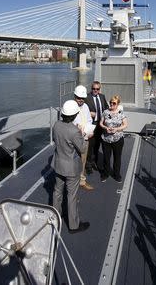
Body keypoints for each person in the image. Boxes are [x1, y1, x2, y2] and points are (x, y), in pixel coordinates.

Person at [52, 100, 90, 233]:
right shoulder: (74, 131)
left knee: (57, 192)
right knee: (71, 196)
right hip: (71, 168)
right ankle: (74, 226)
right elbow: (82, 149)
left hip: (58, 164)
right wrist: (84, 136)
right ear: (74, 115)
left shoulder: (56, 125)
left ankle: (56, 217)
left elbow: (55, 140)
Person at [99, 95, 128, 183]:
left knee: (117, 158)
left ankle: (116, 175)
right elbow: (101, 123)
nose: (111, 104)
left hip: (117, 139)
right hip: (106, 139)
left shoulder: (121, 113)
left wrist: (117, 129)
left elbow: (125, 125)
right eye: (110, 102)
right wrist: (105, 128)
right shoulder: (105, 112)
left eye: (114, 103)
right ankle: (105, 174)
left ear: (118, 104)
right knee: (106, 158)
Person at [73, 85, 95, 191]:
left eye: (82, 98)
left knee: (83, 159)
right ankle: (72, 181)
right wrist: (77, 127)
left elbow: (89, 120)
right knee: (72, 161)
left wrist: (90, 130)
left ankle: (81, 180)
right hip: (73, 140)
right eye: (78, 97)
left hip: (85, 138)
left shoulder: (85, 106)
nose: (81, 100)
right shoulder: (71, 107)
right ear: (74, 96)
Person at [85, 81, 108, 171]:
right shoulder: (87, 97)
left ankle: (95, 162)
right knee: (90, 146)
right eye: (94, 89)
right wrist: (89, 113)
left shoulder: (102, 97)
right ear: (91, 89)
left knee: (97, 145)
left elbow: (106, 107)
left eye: (97, 89)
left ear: (99, 89)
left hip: (100, 125)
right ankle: (88, 165)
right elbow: (82, 109)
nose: (95, 90)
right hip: (92, 125)